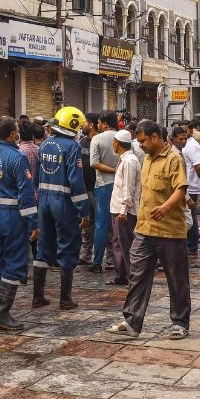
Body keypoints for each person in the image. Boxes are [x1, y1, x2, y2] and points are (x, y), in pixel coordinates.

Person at [107, 120, 191, 340]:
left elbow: (180, 189)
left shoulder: (174, 159)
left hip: (170, 231)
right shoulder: (146, 160)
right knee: (137, 274)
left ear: (155, 137)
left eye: (143, 140)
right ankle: (132, 321)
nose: (140, 144)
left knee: (176, 278)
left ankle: (180, 322)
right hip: (145, 229)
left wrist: (165, 207)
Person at [0, 117, 38, 331]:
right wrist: (32, 223)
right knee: (14, 262)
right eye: (16, 130)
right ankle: (1, 312)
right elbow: (26, 194)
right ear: (13, 134)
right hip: (12, 217)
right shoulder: (17, 157)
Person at [32, 107, 90, 310]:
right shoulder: (72, 147)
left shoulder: (45, 144)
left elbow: (37, 177)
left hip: (44, 202)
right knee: (67, 246)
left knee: (43, 247)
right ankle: (65, 299)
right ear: (73, 125)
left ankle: (37, 296)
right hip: (64, 203)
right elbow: (76, 182)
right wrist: (83, 210)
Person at [107, 129, 140, 286]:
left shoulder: (129, 161)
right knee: (118, 243)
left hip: (124, 211)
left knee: (126, 244)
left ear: (117, 143)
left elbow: (129, 187)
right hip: (117, 208)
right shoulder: (124, 159)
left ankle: (131, 277)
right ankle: (120, 275)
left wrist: (124, 210)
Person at [89, 113, 120, 273]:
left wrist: (113, 170)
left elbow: (94, 163)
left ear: (105, 124)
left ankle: (96, 262)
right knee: (118, 224)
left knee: (100, 225)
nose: (98, 125)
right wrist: (118, 171)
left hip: (103, 185)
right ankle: (119, 261)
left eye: (100, 122)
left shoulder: (97, 139)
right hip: (120, 185)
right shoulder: (123, 137)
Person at [172, 125, 200, 254]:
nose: (183, 141)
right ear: (173, 139)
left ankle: (191, 246)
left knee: (190, 219)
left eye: (185, 138)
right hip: (185, 188)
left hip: (189, 187)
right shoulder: (176, 153)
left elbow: (199, 166)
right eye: (180, 139)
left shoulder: (190, 147)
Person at [78, 119, 98, 265]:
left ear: (91, 124)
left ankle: (109, 258)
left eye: (85, 122)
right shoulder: (82, 142)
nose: (82, 125)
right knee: (86, 221)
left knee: (104, 223)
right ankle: (86, 254)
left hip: (97, 188)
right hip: (83, 188)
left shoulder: (99, 141)